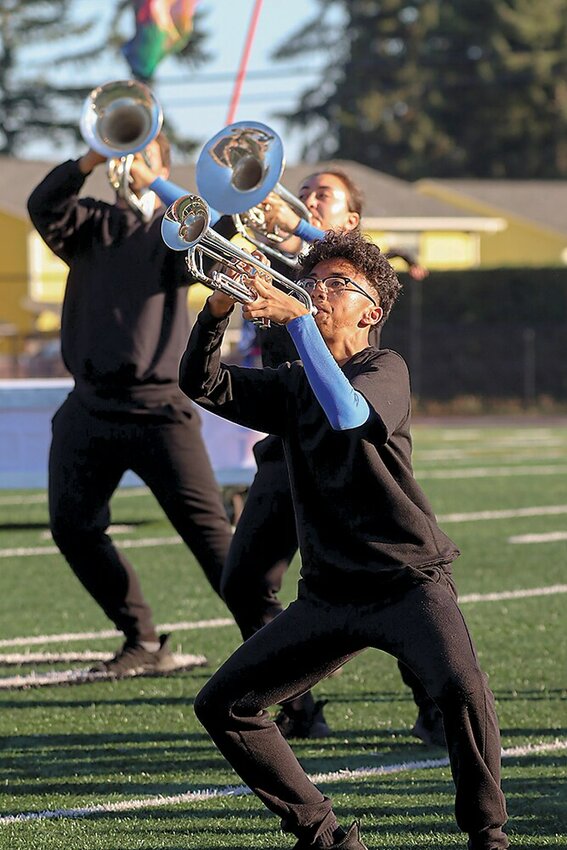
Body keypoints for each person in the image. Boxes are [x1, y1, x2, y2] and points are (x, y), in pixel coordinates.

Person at [179, 229, 509, 850]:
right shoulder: (291, 382)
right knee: (224, 704)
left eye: (337, 285)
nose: (318, 294)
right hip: (329, 595)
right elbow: (203, 385)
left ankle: (488, 836)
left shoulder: (385, 368)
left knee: (463, 692)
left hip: (407, 581)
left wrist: (301, 320)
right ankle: (324, 835)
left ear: (372, 312)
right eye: (313, 284)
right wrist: (216, 310)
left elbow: (349, 414)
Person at [220, 169, 443, 746]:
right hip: (289, 449)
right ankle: (294, 704)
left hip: (351, 448)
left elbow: (348, 401)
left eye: (325, 196)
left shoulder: (345, 283)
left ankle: (436, 705)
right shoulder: (294, 274)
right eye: (308, 190)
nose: (309, 198)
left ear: (351, 223)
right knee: (244, 581)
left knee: (392, 584)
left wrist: (297, 228)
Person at [26, 131, 234, 678]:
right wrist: (93, 156)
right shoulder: (89, 222)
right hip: (90, 406)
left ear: (162, 166)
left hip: (161, 409)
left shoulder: (178, 229)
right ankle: (140, 638)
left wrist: (161, 188)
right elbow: (42, 205)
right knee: (72, 527)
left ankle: (282, 651)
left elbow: (221, 245)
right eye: (126, 152)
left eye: (144, 153)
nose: (131, 162)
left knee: (213, 542)